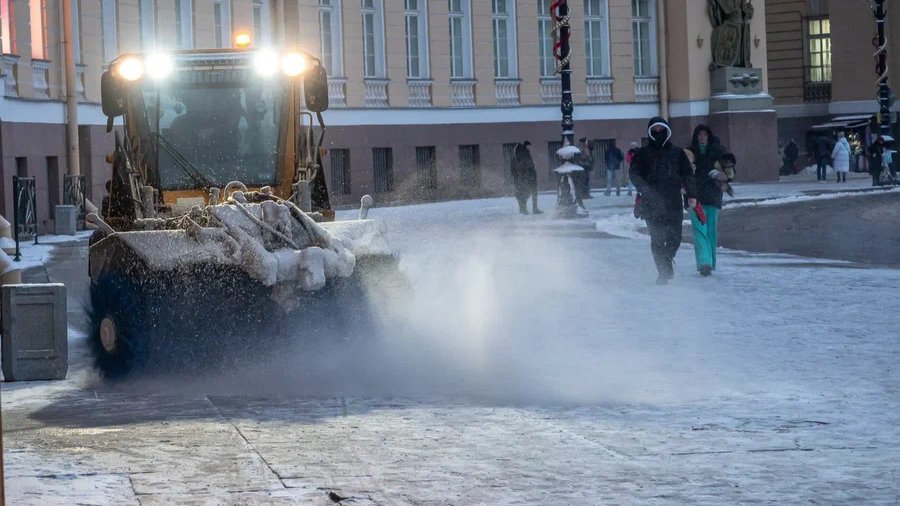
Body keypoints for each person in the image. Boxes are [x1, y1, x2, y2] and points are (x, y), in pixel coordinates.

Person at [630, 117, 698, 285]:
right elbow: (634, 174)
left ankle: (667, 258)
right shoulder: (642, 154)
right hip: (651, 204)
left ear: (667, 131)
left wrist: (692, 194)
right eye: (655, 130)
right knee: (658, 240)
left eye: (661, 129)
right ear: (650, 132)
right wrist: (645, 189)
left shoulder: (677, 153)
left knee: (675, 238)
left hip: (673, 202)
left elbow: (688, 174)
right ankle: (662, 272)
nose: (658, 133)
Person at [687, 125, 733, 277]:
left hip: (712, 196)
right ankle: (704, 263)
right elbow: (681, 173)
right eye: (699, 134)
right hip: (694, 197)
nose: (702, 137)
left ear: (709, 136)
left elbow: (730, 171)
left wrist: (723, 176)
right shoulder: (689, 153)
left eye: (705, 134)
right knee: (699, 230)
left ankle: (710, 262)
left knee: (711, 231)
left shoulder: (718, 152)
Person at [511, 141, 542, 215]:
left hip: (529, 177)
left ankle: (533, 208)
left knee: (530, 193)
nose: (530, 148)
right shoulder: (521, 154)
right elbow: (519, 168)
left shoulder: (525, 154)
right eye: (528, 146)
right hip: (524, 178)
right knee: (523, 193)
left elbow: (529, 165)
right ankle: (524, 209)